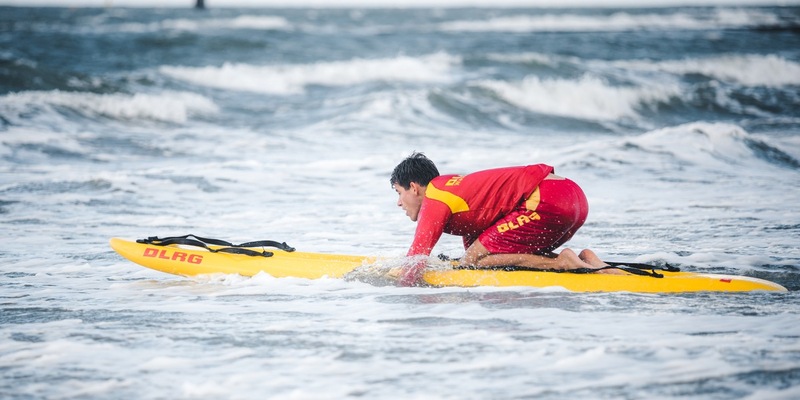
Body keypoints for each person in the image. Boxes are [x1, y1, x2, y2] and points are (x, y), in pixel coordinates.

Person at [390, 152, 614, 286]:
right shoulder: (455, 191)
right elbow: (485, 242)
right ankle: (588, 261)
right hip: (572, 198)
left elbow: (416, 258)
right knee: (481, 259)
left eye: (399, 193)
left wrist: (393, 288)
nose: (399, 203)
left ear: (414, 187)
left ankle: (562, 263)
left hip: (546, 198)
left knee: (474, 260)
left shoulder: (434, 196)